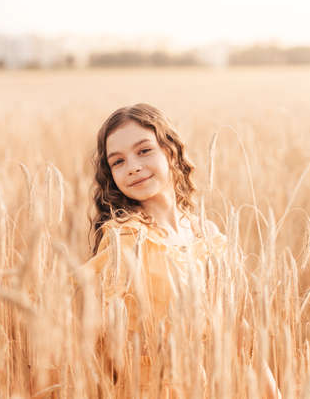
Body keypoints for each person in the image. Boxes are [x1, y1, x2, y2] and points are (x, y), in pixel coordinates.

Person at [79, 103, 227, 398]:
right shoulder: (125, 239)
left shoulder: (206, 234)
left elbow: (230, 325)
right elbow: (94, 336)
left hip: (207, 384)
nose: (132, 166)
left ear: (170, 151)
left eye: (144, 151)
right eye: (118, 161)